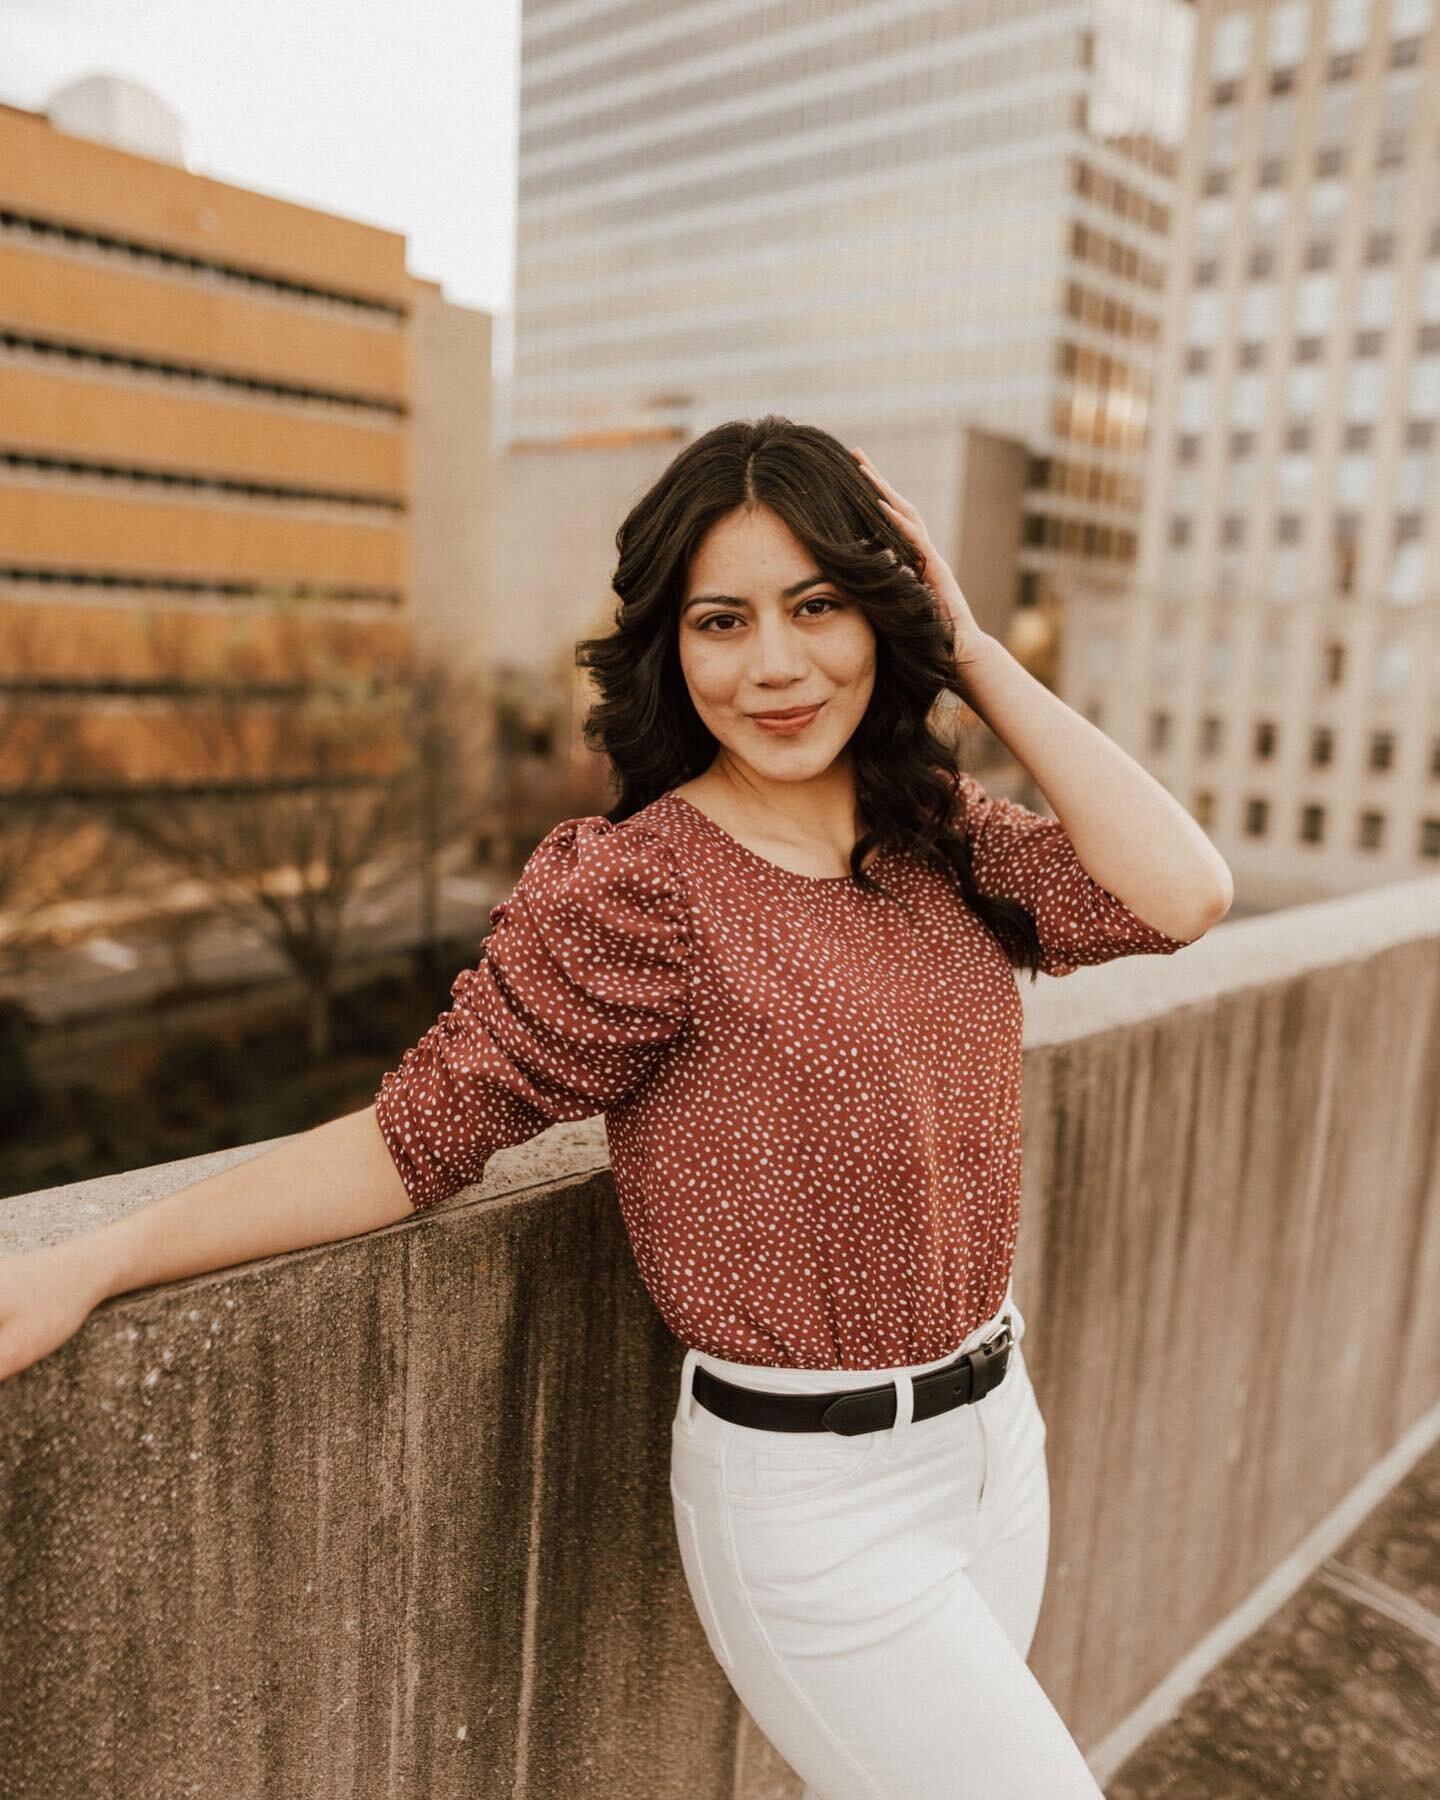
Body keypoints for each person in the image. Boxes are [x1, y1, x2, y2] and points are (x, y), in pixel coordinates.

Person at [0, 416, 1231, 1797]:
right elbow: (416, 1136)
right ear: (670, 646)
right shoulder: (642, 888)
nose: (774, 664)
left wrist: (974, 652)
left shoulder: (935, 831)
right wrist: (96, 1260)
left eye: (820, 606)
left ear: (886, 616)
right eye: (722, 620)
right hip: (813, 1505)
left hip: (998, 1443)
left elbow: (1180, 893)